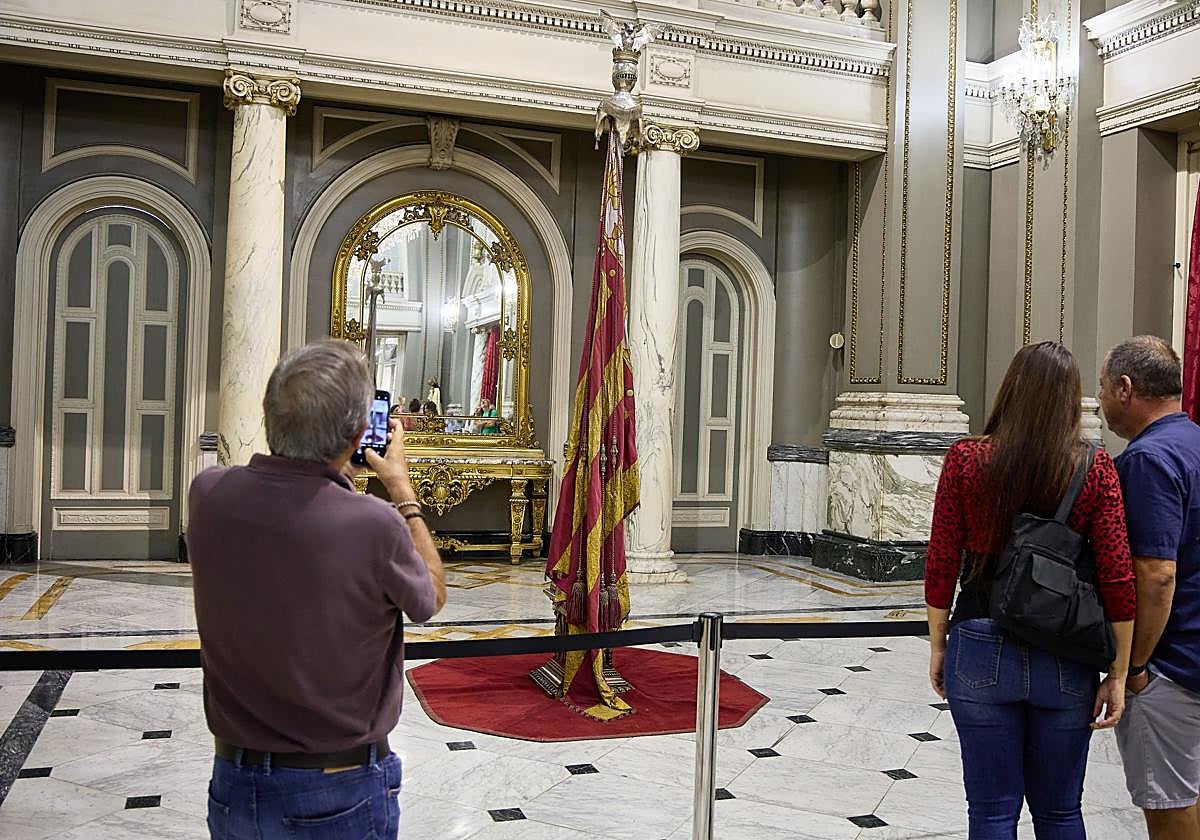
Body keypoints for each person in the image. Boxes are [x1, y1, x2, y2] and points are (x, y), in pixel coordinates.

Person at [187, 339, 446, 840]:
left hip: (233, 783)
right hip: (336, 789)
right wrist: (403, 493)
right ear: (356, 434)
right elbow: (429, 599)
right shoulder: (372, 523)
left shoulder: (208, 495)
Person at [926, 341, 1136, 839]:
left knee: (992, 813)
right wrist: (1119, 673)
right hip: (1067, 652)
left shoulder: (966, 459)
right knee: (1061, 812)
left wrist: (938, 646)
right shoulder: (1094, 468)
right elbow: (1118, 577)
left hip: (978, 642)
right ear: (1071, 399)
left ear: (1009, 390)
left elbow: (940, 564)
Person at [1099, 335, 1200, 839]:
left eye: (1101, 388)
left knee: (1170, 803)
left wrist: (1132, 667)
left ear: (1125, 387)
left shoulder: (1148, 460)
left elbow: (1155, 574)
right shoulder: (1195, 442)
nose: (1100, 403)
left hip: (1173, 663)